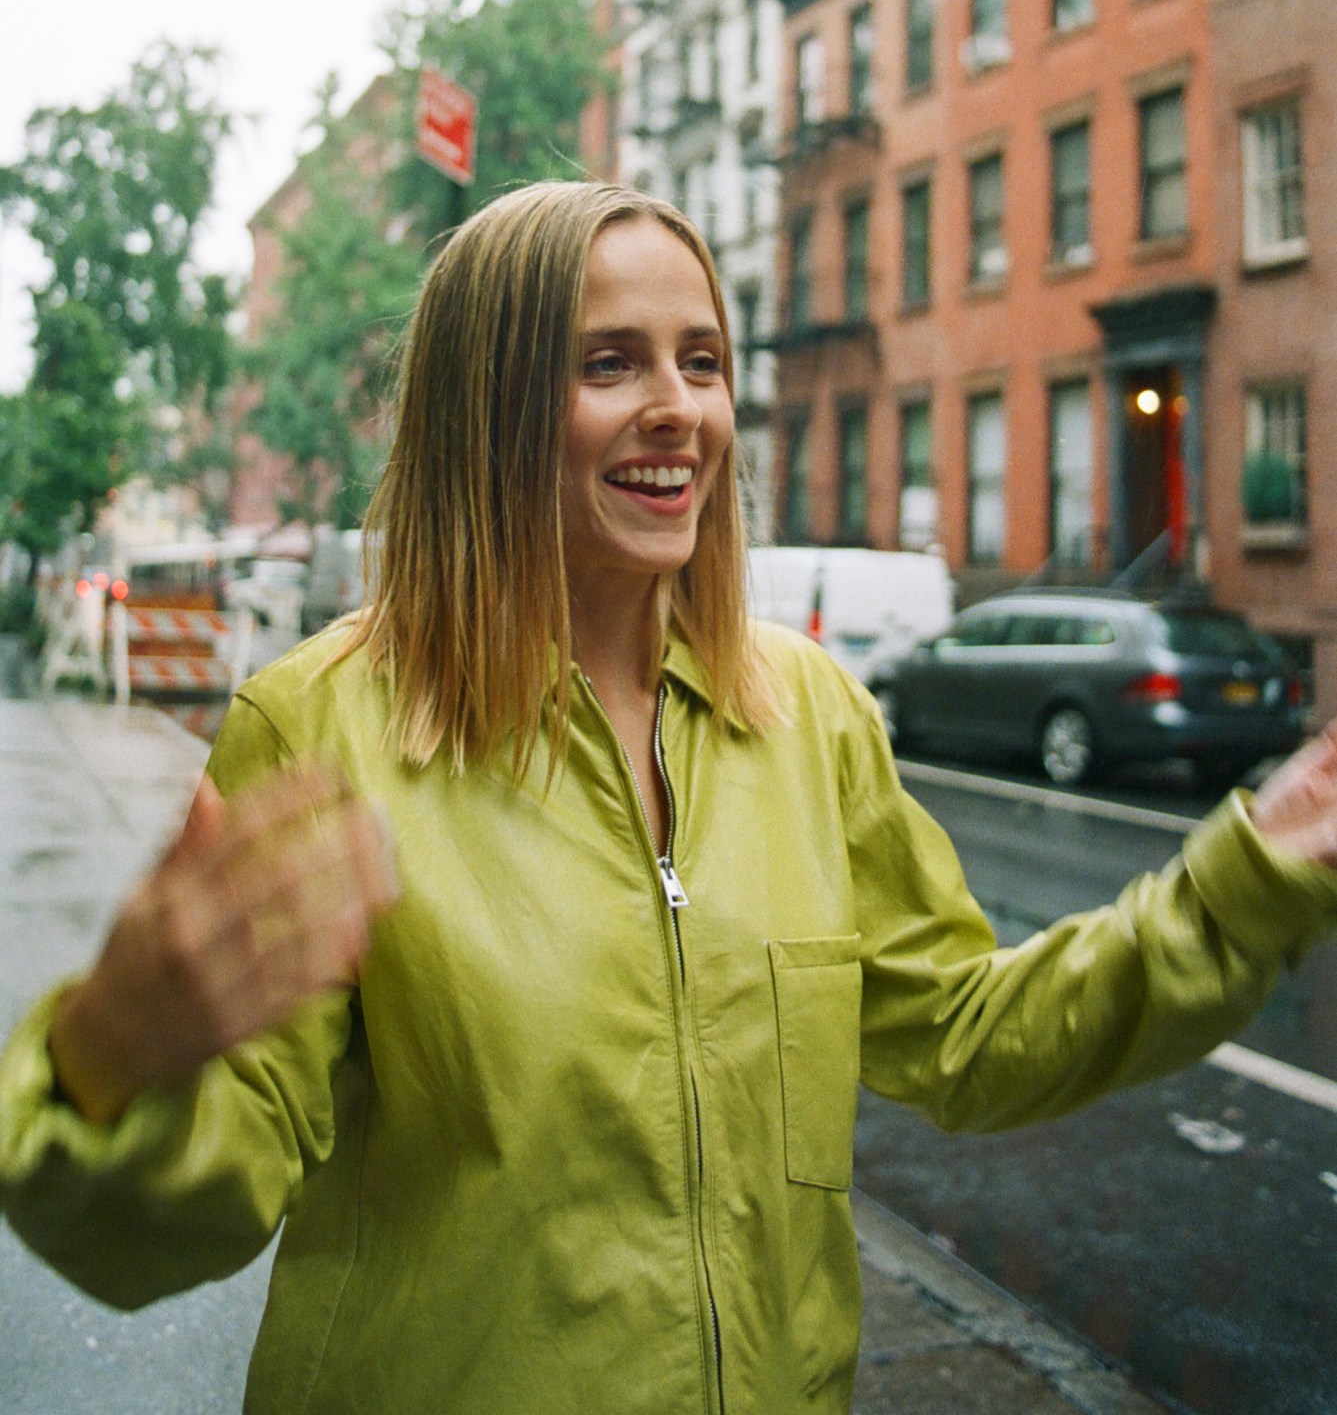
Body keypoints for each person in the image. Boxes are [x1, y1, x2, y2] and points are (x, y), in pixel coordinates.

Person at [2, 179, 1336, 1415]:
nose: (676, 407)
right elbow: (182, 1214)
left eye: (701, 361)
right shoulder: (324, 724)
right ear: (489, 406)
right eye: (608, 363)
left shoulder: (805, 714)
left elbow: (972, 1035)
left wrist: (1249, 874)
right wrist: (105, 1078)